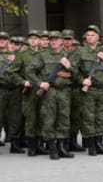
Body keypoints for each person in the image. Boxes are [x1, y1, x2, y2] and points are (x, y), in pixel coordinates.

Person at [26, 31, 74, 160]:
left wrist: (69, 67)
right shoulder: (43, 56)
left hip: (64, 91)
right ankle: (52, 148)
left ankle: (62, 148)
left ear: (61, 41)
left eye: (56, 39)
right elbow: (29, 70)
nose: (53, 42)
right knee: (49, 119)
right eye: (51, 39)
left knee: (64, 118)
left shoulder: (67, 56)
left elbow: (76, 74)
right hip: (50, 91)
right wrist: (40, 83)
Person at [70, 25, 103, 156]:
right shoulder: (80, 52)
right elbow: (72, 68)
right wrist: (81, 80)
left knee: (101, 117)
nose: (90, 37)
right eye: (88, 35)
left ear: (98, 37)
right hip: (89, 90)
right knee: (89, 117)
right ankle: (91, 145)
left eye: (93, 35)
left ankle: (99, 143)